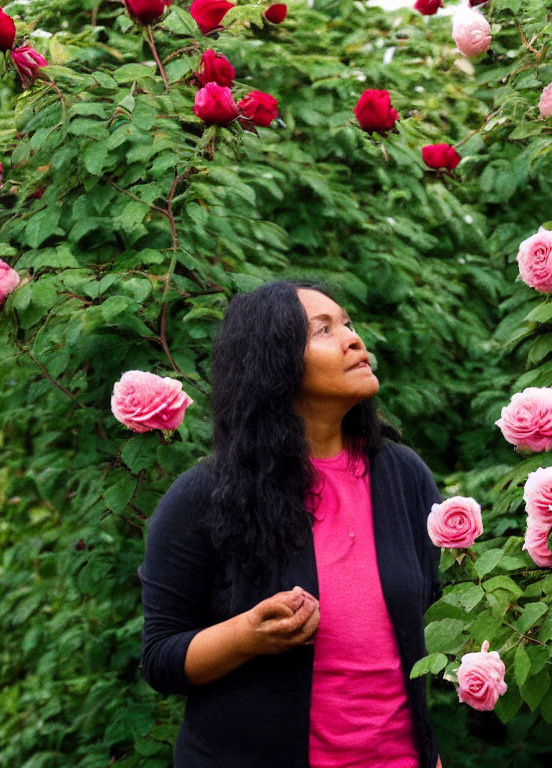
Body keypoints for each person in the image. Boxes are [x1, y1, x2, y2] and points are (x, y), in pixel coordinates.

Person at [137, 278, 445, 768]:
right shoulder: (205, 495)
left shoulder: (403, 476)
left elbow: (424, 631)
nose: (353, 339)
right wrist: (244, 637)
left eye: (347, 323)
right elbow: (160, 659)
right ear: (274, 362)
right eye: (322, 330)